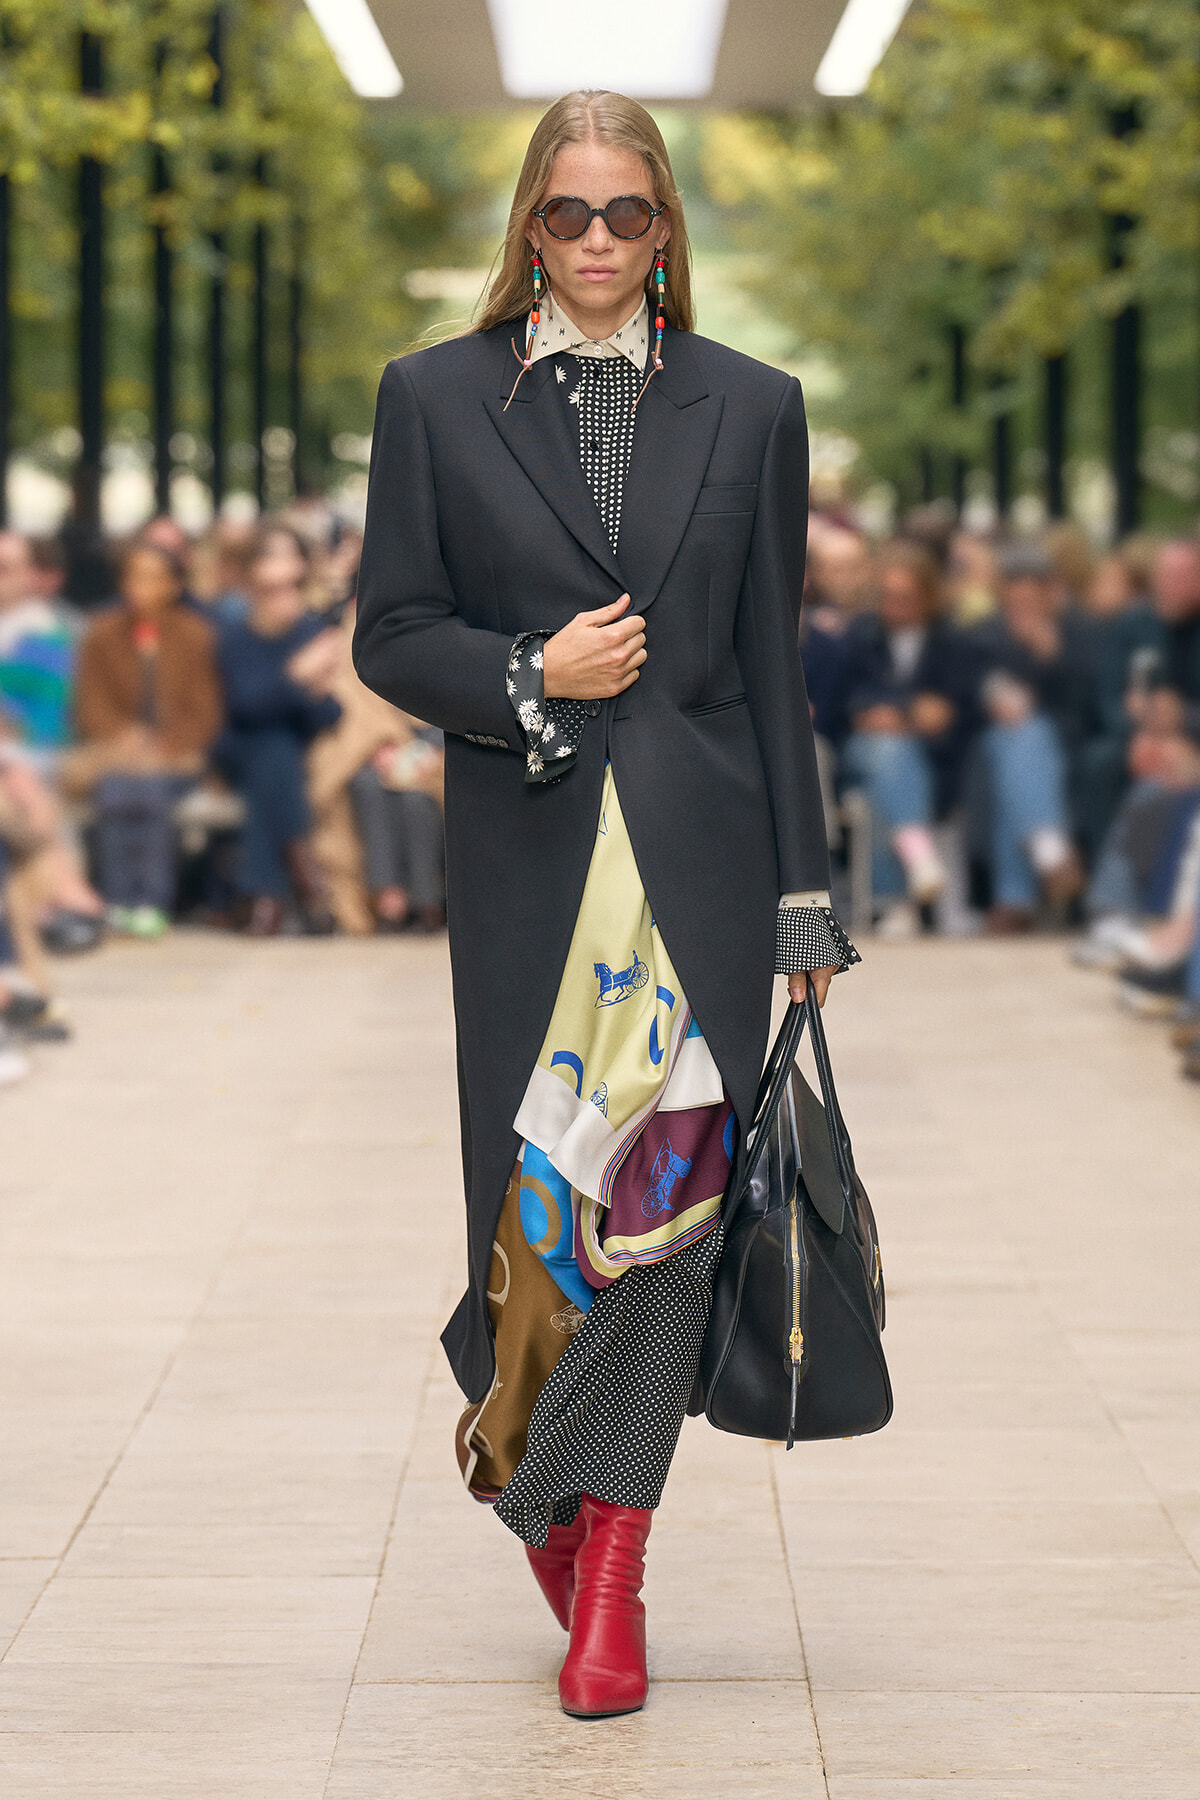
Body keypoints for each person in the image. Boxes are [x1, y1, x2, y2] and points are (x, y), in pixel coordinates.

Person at [353, 90, 855, 1720]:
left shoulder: (753, 404)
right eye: (563, 214)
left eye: (623, 214)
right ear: (527, 223)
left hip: (699, 880)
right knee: (536, 1239)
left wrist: (808, 899)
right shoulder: (434, 396)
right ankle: (534, 1494)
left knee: (671, 1228)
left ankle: (613, 1576)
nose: (591, 242)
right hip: (533, 880)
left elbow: (773, 673)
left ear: (664, 228)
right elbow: (391, 631)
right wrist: (525, 675)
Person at [70, 541, 222, 937]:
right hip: (117, 754)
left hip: (177, 756)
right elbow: (90, 703)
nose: (144, 587)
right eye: (136, 576)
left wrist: (167, 743)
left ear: (173, 585)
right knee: (116, 793)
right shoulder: (101, 633)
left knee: (151, 795)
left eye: (155, 578)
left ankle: (152, 902)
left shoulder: (196, 634)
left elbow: (205, 708)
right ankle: (120, 902)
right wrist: (124, 737)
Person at [835, 540, 980, 934]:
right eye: (887, 596)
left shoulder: (953, 642)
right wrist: (911, 714)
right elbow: (851, 705)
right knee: (887, 753)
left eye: (905, 597)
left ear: (928, 597)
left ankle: (896, 905)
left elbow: (952, 713)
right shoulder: (861, 635)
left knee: (890, 778)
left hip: (933, 762)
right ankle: (917, 860)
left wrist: (897, 715)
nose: (893, 606)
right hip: (861, 752)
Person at [212, 539, 342, 935]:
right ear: (252, 585)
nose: (282, 597)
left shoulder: (312, 631)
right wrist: (299, 676)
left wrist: (299, 691)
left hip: (289, 753)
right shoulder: (235, 634)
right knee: (272, 748)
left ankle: (265, 898)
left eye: (291, 586)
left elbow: (329, 714)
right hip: (238, 748)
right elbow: (245, 708)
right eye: (271, 588)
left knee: (276, 755)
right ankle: (308, 888)